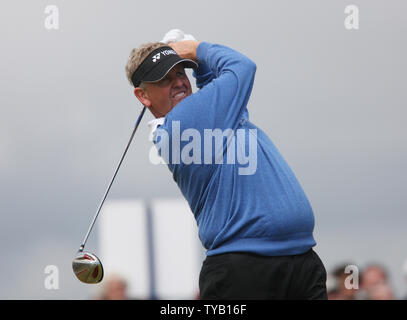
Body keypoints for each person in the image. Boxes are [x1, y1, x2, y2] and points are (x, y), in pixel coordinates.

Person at [125, 30, 327, 299]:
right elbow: (242, 67)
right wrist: (195, 49)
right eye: (163, 79)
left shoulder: (214, 114)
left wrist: (199, 65)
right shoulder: (181, 124)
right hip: (244, 270)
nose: (179, 83)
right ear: (143, 96)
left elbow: (217, 85)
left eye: (180, 74)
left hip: (298, 259)